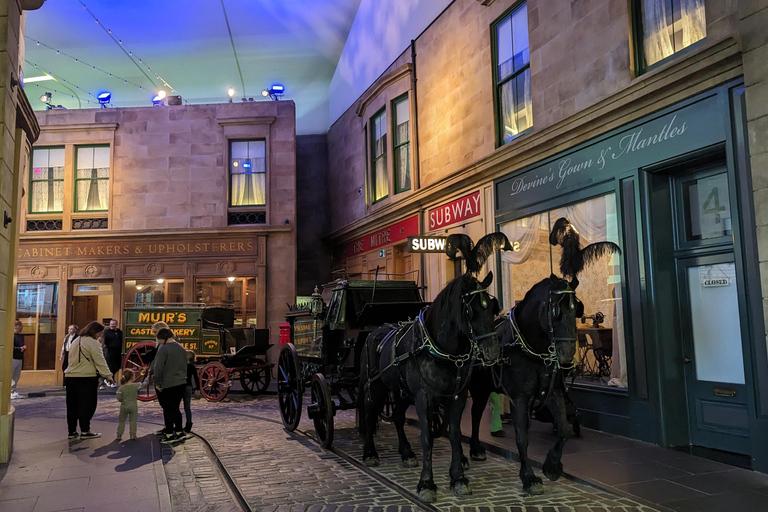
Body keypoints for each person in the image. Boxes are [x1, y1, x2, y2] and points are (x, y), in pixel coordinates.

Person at [65, 321, 114, 439]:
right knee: (87, 405)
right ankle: (85, 430)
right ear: (95, 331)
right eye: (100, 333)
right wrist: (108, 376)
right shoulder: (93, 343)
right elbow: (100, 361)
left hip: (70, 377)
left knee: (72, 405)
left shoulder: (76, 340)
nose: (100, 336)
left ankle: (72, 431)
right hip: (86, 378)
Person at [153, 328, 188, 445]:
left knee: (168, 409)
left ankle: (169, 434)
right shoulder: (181, 348)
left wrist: (157, 383)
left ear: (163, 338)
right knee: (176, 408)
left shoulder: (164, 349)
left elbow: (158, 368)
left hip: (168, 383)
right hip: (181, 382)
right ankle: (179, 431)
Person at [116, 369, 141, 441]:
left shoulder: (121, 387)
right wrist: (148, 377)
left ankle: (119, 434)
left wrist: (122, 400)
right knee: (133, 420)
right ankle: (133, 434)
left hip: (124, 405)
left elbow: (119, 398)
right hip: (133, 405)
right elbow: (144, 384)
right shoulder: (135, 386)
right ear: (132, 377)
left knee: (122, 420)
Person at [183, 350, 200, 433]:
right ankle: (188, 424)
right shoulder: (192, 366)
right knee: (187, 408)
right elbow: (196, 378)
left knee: (176, 407)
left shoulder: (182, 365)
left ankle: (176, 425)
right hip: (188, 387)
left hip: (180, 386)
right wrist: (198, 388)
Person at [103, 319, 123, 386]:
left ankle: (109, 379)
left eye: (113, 324)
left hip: (117, 352)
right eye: (111, 324)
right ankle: (110, 380)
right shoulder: (106, 332)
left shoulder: (119, 332)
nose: (112, 325)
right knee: (110, 366)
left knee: (116, 366)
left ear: (116, 324)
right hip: (109, 351)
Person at [11, 320, 27, 400]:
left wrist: (23, 347)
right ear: (16, 327)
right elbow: (11, 347)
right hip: (13, 358)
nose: (21, 329)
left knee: (16, 376)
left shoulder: (20, 336)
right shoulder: (11, 336)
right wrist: (19, 348)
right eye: (20, 327)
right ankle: (10, 392)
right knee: (11, 375)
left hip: (19, 358)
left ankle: (14, 391)